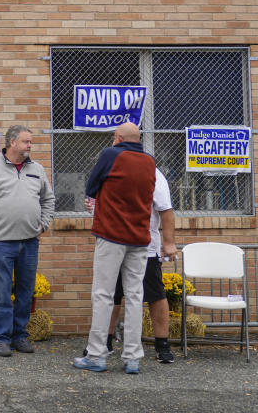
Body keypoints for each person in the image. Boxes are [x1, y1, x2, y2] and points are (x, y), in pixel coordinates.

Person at [73, 122, 156, 375]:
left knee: (103, 295)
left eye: (113, 137)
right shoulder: (149, 161)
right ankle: (132, 358)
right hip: (140, 238)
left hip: (111, 235)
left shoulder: (111, 154)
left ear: (118, 138)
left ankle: (97, 355)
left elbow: (91, 187)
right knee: (134, 296)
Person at [0, 125, 55, 357]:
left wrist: (43, 224)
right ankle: (1, 338)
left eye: (31, 142)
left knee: (26, 291)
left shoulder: (37, 169)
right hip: (1, 243)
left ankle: (20, 336)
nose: (30, 146)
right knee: (0, 291)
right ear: (12, 143)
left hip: (30, 242)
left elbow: (48, 199)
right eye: (26, 142)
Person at [102, 168, 178, 363]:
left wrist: (168, 243)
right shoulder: (110, 168)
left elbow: (166, 210)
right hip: (114, 244)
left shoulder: (153, 173)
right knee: (111, 295)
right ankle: (105, 342)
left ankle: (162, 344)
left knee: (155, 294)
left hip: (145, 247)